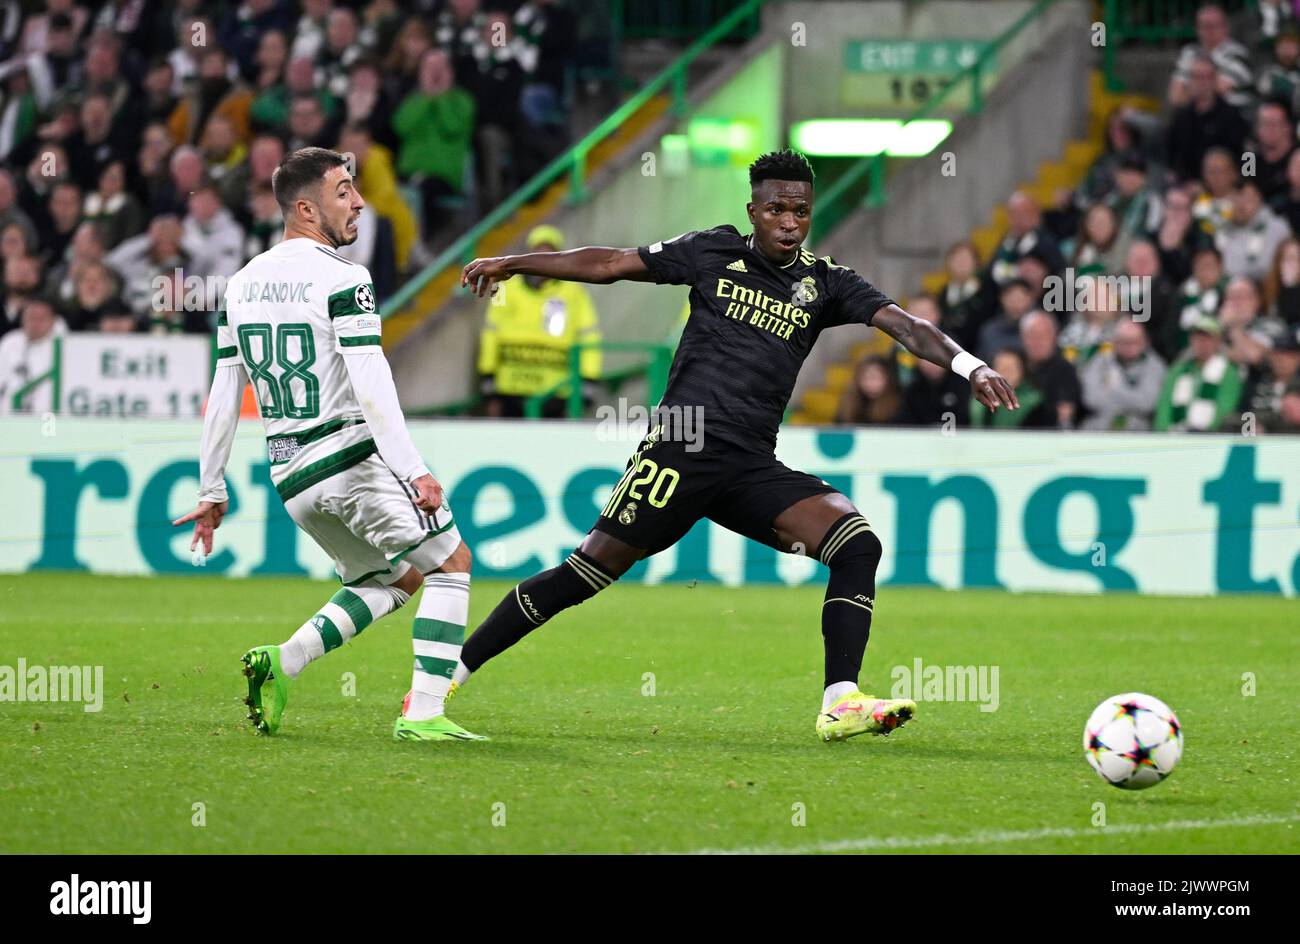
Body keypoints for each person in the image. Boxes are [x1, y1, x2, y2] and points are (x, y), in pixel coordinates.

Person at [458, 149, 1019, 743]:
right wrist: (515, 261)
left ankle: (840, 701)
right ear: (752, 211)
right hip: (680, 449)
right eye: (775, 209)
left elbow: (905, 326)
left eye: (799, 211)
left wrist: (970, 365)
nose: (788, 222)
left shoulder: (826, 284)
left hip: (750, 465)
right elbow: (614, 263)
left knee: (857, 544)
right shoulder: (711, 252)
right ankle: (450, 674)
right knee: (586, 573)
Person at [173, 147, 483, 743]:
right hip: (351, 460)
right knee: (451, 566)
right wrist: (414, 469)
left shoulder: (239, 286)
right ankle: (424, 715)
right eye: (345, 191)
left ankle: (282, 662)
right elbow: (371, 380)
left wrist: (212, 488)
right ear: (307, 207)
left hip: (293, 478)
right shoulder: (345, 278)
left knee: (393, 578)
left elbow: (222, 394)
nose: (360, 201)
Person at [1154, 316, 1244, 430]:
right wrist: (1163, 435)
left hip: (1209, 439)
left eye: (1207, 338)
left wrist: (1204, 435)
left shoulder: (1229, 373)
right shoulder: (1177, 370)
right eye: (1198, 338)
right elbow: (1164, 407)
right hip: (1175, 437)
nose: (1202, 343)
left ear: (1218, 341)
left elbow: (1225, 409)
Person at [1080, 319, 1168, 430]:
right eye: (1124, 342)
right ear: (1115, 342)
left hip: (1138, 430)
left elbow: (1147, 403)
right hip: (1099, 427)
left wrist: (1112, 390)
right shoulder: (1100, 361)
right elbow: (1090, 399)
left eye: (1135, 341)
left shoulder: (1155, 366)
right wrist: (1131, 398)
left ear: (1145, 341)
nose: (1130, 347)